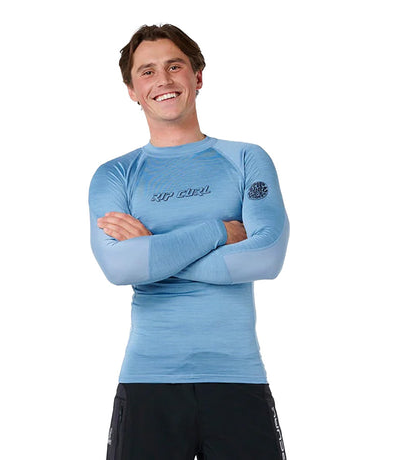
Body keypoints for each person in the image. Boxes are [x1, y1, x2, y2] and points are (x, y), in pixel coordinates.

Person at [88, 23, 289, 460]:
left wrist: (154, 252)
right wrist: (219, 231)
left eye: (174, 66)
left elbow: (266, 256)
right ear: (131, 90)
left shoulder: (245, 159)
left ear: (197, 77)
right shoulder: (115, 175)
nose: (162, 80)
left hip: (238, 380)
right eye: (147, 72)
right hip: (148, 382)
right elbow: (120, 268)